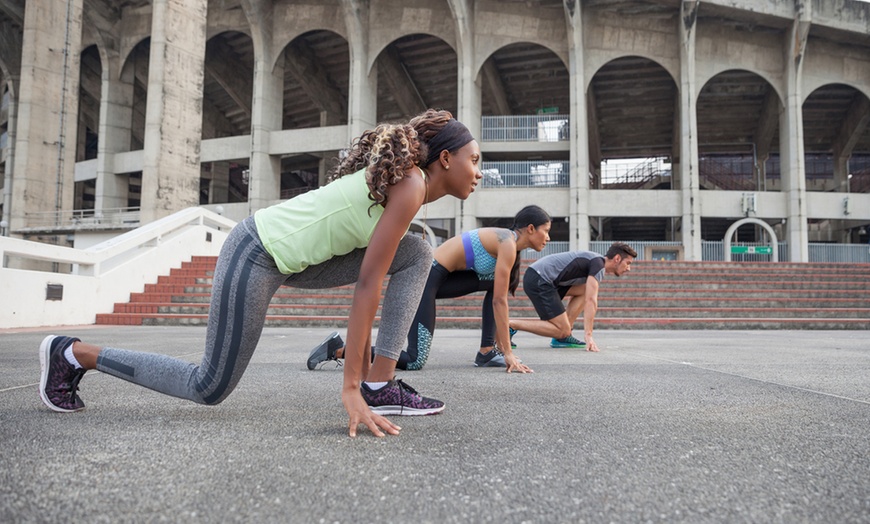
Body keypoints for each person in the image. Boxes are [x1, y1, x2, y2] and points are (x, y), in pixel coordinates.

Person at [38, 109, 482, 438]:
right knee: (208, 386)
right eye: (475, 160)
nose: (479, 172)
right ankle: (73, 354)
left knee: (417, 253)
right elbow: (368, 283)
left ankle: (381, 384)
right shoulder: (412, 185)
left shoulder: (411, 187)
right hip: (256, 252)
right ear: (445, 158)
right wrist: (349, 388)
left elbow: (373, 268)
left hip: (299, 260)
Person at [308, 205, 551, 373]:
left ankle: (487, 351)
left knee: (495, 283)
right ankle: (338, 349)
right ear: (531, 228)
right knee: (414, 360)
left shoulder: (508, 244)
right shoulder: (507, 242)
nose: (548, 237)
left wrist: (501, 346)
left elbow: (497, 295)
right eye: (546, 231)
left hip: (443, 277)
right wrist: (508, 353)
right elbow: (499, 302)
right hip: (425, 277)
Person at [508, 242, 636, 353]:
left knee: (585, 289)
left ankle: (563, 336)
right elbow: (591, 300)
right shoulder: (598, 264)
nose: (628, 268)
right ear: (617, 258)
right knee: (561, 329)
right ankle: (510, 325)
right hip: (539, 279)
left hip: (544, 279)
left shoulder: (596, 262)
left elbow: (587, 293)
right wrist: (588, 335)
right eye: (628, 263)